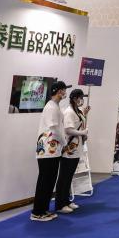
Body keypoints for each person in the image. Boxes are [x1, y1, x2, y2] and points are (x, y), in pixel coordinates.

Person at [31, 81, 70, 221]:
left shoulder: (55, 106)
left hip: (53, 150)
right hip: (47, 150)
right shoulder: (51, 107)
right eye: (64, 90)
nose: (65, 93)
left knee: (49, 181)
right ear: (58, 91)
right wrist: (64, 143)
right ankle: (37, 212)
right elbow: (54, 129)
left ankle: (43, 209)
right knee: (45, 181)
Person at [56, 89, 89, 214]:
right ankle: (60, 204)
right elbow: (68, 129)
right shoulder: (69, 112)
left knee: (69, 176)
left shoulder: (77, 111)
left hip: (76, 148)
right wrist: (82, 132)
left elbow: (79, 123)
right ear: (74, 98)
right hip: (69, 149)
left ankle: (66, 200)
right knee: (64, 177)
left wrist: (84, 115)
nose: (82, 100)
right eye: (80, 98)